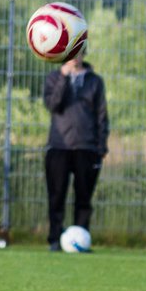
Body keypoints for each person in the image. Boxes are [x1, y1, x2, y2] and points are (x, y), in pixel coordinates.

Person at [43, 52, 108, 252]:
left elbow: (102, 115)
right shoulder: (54, 77)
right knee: (56, 195)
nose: (74, 57)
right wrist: (64, 76)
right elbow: (52, 104)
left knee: (84, 197)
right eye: (70, 52)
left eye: (78, 52)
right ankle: (55, 239)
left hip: (86, 147)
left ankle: (81, 237)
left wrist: (101, 145)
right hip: (59, 146)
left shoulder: (95, 81)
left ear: (84, 53)